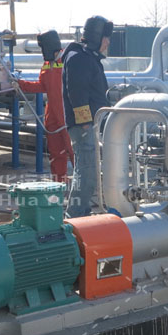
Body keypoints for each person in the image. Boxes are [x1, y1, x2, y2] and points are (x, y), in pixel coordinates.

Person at [62, 15, 112, 218]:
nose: (108, 42)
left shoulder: (87, 58)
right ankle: (74, 216)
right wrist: (84, 123)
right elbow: (77, 93)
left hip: (90, 124)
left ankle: (81, 213)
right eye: (106, 38)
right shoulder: (80, 59)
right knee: (86, 171)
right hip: (84, 126)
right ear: (97, 37)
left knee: (88, 171)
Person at [17, 30, 74, 181]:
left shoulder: (68, 61)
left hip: (67, 115)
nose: (42, 52)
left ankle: (85, 186)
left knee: (74, 151)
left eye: (43, 48)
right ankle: (59, 182)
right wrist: (20, 84)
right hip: (53, 116)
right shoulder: (47, 64)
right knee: (56, 152)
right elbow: (42, 86)